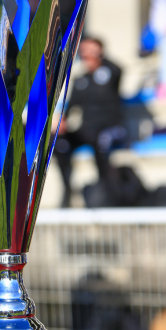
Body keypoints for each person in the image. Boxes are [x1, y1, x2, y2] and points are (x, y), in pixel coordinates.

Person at [54, 37, 124, 207]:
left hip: (109, 128)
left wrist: (99, 56)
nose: (87, 55)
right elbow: (71, 106)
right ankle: (67, 189)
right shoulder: (81, 81)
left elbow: (119, 70)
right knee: (59, 143)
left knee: (102, 142)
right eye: (84, 51)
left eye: (91, 51)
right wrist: (62, 120)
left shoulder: (110, 73)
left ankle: (106, 191)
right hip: (87, 130)